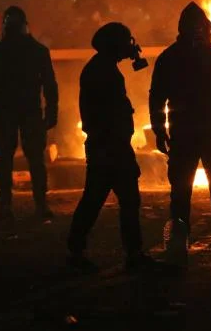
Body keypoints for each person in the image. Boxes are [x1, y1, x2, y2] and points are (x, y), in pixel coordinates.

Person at [149, 2, 211, 270]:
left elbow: (157, 97)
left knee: (181, 196)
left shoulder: (170, 57)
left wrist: (160, 130)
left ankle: (179, 253)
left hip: (185, 135)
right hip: (210, 134)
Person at [67, 23, 157, 272]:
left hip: (107, 145)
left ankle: (78, 250)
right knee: (116, 200)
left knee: (102, 199)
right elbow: (110, 113)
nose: (130, 46)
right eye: (125, 41)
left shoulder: (101, 68)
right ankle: (131, 254)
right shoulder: (103, 72)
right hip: (110, 146)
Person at [0, 6, 58, 221]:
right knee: (35, 159)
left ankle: (6, 206)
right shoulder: (38, 51)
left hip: (7, 110)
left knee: (4, 159)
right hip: (29, 110)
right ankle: (40, 205)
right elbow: (50, 85)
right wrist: (51, 111)